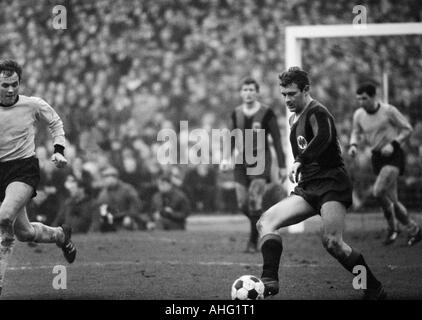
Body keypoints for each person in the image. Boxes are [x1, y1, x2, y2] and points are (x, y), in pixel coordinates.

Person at [257, 67, 386, 300]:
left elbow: (324, 138)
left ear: (306, 90)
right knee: (265, 222)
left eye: (292, 93)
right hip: (309, 187)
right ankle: (269, 281)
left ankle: (372, 288)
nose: (287, 99)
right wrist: (301, 167)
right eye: (284, 94)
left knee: (333, 243)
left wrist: (300, 160)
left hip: (331, 184)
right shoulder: (293, 117)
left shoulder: (318, 112)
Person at [0, 59, 76, 294]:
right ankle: (60, 235)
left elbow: (55, 122)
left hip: (22, 169)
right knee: (24, 233)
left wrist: (59, 150)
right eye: (5, 85)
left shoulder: (32, 105)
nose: (11, 89)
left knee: (4, 217)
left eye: (15, 84)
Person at [348, 82, 421, 246]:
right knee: (393, 200)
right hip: (377, 158)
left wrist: (394, 144)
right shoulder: (359, 114)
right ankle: (413, 229)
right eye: (358, 99)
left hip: (393, 156)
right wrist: (353, 145)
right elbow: (355, 131)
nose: (361, 102)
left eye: (364, 98)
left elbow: (407, 129)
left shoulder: (389, 111)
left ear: (374, 97)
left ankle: (394, 227)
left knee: (378, 190)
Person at [220, 77, 286, 253]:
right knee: (242, 203)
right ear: (241, 93)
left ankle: (252, 242)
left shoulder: (267, 113)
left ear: (257, 92)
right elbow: (230, 137)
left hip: (260, 159)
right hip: (241, 161)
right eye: (245, 90)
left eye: (251, 90)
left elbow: (277, 140)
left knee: (253, 198)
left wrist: (282, 165)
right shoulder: (236, 114)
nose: (248, 93)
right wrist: (226, 158)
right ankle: (264, 224)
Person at [92, 166, 147, 232]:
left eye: (107, 177)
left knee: (127, 223)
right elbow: (99, 208)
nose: (106, 180)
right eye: (105, 177)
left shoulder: (127, 188)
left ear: (115, 178)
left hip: (127, 217)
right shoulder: (103, 193)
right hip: (112, 218)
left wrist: (130, 216)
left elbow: (136, 204)